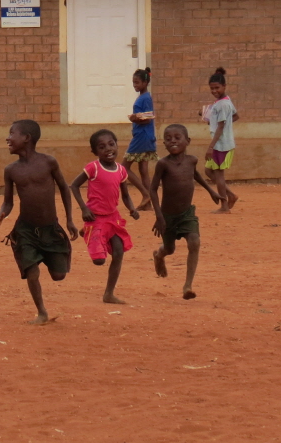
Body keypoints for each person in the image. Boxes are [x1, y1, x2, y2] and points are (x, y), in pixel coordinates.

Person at [0, 119, 79, 325]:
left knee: (59, 275)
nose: (7, 138)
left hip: (50, 228)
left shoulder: (48, 162)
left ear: (26, 138)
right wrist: (1, 213)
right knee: (32, 272)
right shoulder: (11, 170)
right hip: (25, 230)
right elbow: (8, 202)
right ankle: (42, 312)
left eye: (11, 133)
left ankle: (48, 255)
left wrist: (69, 219)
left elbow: (64, 188)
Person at [70, 129, 145, 305]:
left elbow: (125, 195)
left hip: (113, 218)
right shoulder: (93, 168)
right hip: (95, 218)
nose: (108, 149)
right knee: (99, 261)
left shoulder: (121, 170)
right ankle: (88, 231)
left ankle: (109, 294)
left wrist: (132, 209)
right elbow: (74, 186)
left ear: (117, 145)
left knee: (118, 253)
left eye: (111, 144)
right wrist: (84, 209)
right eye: (102, 147)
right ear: (95, 151)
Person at [150, 124, 222, 299]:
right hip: (167, 216)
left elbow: (195, 175)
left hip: (186, 214)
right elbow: (152, 189)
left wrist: (211, 191)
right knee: (169, 249)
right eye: (168, 139)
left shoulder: (192, 160)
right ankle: (159, 255)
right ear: (164, 144)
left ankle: (187, 286)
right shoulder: (163, 164)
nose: (172, 141)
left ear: (188, 141)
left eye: (177, 137)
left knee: (194, 242)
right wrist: (159, 216)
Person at [204, 67, 239, 213]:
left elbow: (221, 126)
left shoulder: (223, 104)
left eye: (217, 88)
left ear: (224, 86)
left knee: (218, 175)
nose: (214, 91)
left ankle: (224, 206)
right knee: (208, 171)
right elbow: (235, 116)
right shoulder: (223, 101)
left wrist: (210, 147)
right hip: (221, 143)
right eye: (212, 88)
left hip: (221, 145)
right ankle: (231, 195)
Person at [123, 67, 156, 210]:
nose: (134, 85)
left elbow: (148, 117)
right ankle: (148, 204)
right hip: (144, 135)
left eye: (137, 83)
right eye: (133, 83)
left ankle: (145, 194)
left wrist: (134, 118)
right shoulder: (144, 97)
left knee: (124, 167)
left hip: (142, 137)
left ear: (145, 82)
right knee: (143, 169)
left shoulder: (145, 98)